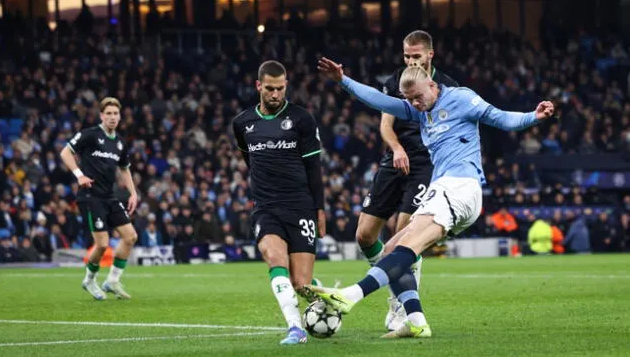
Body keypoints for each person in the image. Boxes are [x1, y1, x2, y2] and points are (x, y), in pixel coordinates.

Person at [305, 58, 554, 339]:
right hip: (444, 189)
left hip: (460, 186)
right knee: (391, 249)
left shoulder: (461, 98)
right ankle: (416, 321)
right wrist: (343, 81)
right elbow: (377, 100)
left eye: (419, 96)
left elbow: (500, 118)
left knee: (408, 247)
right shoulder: (418, 111)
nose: (416, 104)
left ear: (433, 85)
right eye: (410, 100)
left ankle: (349, 296)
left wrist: (534, 116)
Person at [357, 30, 459, 332]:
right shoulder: (395, 82)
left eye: (416, 56)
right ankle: (397, 291)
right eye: (406, 56)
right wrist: (397, 148)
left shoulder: (449, 87)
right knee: (364, 235)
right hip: (395, 160)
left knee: (402, 235)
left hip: (425, 165)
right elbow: (385, 125)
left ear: (430, 54)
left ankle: (402, 305)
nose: (410, 60)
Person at [232, 60, 325, 345]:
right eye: (270, 89)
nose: (275, 94)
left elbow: (314, 168)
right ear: (259, 86)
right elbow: (251, 162)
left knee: (302, 285)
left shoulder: (302, 119)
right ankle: (295, 328)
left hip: (300, 207)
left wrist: (320, 209)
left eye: (281, 89)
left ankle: (325, 299)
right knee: (273, 257)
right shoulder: (243, 123)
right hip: (266, 207)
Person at [60, 97, 138, 300]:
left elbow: (124, 169)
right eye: (109, 114)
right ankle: (89, 280)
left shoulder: (120, 142)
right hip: (90, 196)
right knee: (102, 244)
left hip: (109, 196)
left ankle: (112, 280)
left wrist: (133, 193)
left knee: (130, 237)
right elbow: (65, 152)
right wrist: (79, 175)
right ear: (102, 116)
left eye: (116, 114)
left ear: (120, 117)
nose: (112, 117)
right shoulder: (90, 135)